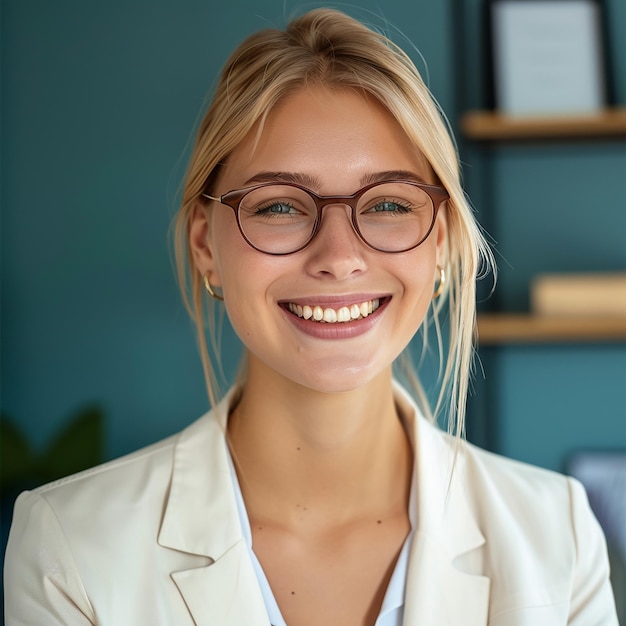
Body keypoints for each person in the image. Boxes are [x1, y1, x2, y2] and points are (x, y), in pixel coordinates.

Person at [4, 8, 618, 626]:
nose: (339, 257)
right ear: (206, 246)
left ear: (440, 245)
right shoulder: (72, 547)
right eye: (277, 206)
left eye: (385, 203)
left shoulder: (556, 532)